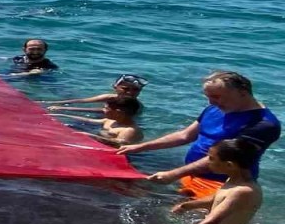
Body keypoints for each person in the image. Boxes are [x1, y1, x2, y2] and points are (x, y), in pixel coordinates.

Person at [119, 71, 279, 190]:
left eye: (216, 97)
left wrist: (174, 173)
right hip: (190, 175)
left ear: (243, 93)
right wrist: (140, 147)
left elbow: (224, 158)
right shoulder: (215, 108)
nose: (211, 102)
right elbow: (185, 136)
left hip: (223, 184)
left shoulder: (264, 124)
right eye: (208, 97)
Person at [152, 138, 262, 224]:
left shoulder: (243, 191)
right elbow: (217, 199)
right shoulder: (234, 180)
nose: (207, 162)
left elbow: (212, 221)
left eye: (211, 158)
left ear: (229, 165)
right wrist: (188, 205)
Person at [51, 97, 143, 146]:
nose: (103, 110)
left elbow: (119, 145)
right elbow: (89, 120)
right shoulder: (111, 120)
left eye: (106, 108)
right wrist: (64, 116)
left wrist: (91, 137)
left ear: (118, 112)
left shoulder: (129, 130)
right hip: (100, 140)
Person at [48, 74, 147, 114]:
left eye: (135, 90)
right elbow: (83, 101)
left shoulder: (135, 105)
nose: (130, 92)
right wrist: (57, 102)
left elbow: (103, 111)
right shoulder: (110, 97)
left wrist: (64, 108)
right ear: (115, 87)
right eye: (125, 89)